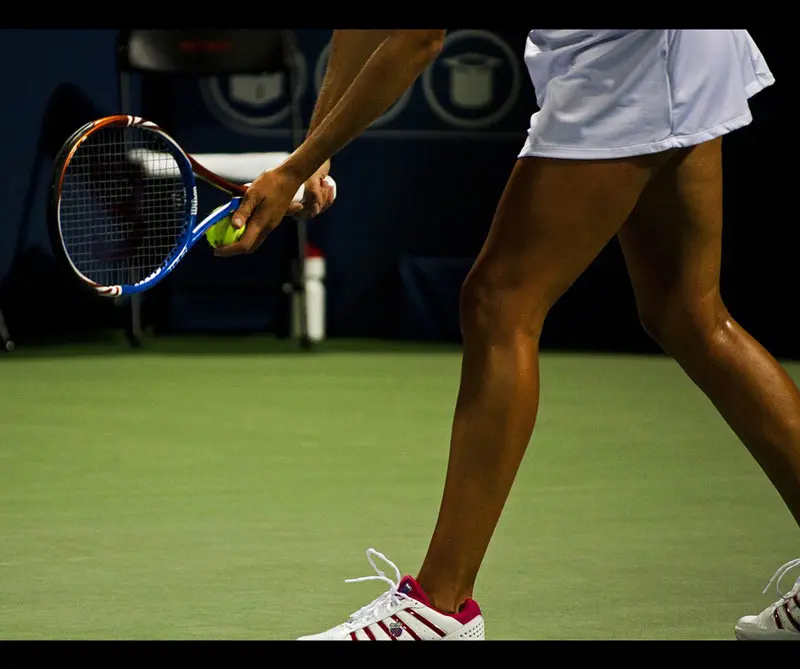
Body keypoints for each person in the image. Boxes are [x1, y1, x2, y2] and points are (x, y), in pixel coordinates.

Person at [214, 30, 800, 641]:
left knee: (500, 304)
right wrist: (313, 156)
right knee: (689, 315)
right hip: (669, 49)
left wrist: (294, 168)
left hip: (631, 57)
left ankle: (440, 607)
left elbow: (416, 38)